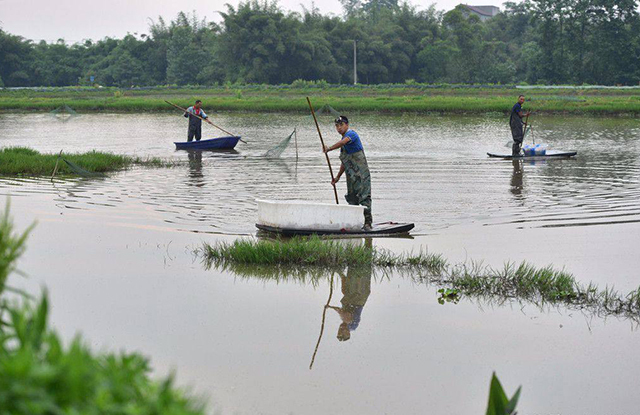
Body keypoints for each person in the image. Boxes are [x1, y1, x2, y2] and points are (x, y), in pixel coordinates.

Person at [323, 115, 373, 230]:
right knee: (352, 198)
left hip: (362, 174)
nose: (339, 128)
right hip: (351, 175)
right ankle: (354, 223)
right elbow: (344, 163)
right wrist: (337, 177)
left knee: (364, 198)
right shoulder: (343, 146)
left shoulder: (351, 135)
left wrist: (329, 149)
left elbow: (343, 142)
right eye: (337, 126)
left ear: (347, 125)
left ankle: (368, 223)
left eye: (341, 125)